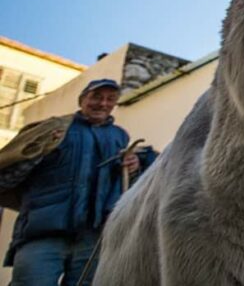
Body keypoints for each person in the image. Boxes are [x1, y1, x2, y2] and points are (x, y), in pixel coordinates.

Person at [1, 78, 143, 285]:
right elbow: (10, 175)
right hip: (42, 233)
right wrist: (39, 149)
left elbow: (122, 186)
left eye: (110, 99)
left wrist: (133, 167)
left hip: (93, 238)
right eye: (96, 97)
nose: (103, 103)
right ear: (82, 100)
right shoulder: (53, 129)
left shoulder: (119, 136)